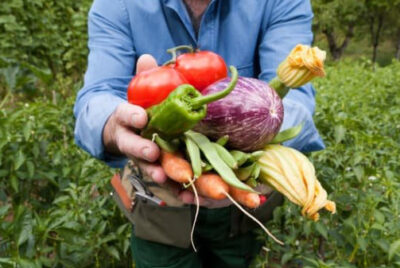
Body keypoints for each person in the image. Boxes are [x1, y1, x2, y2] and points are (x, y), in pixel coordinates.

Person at [74, 0, 325, 267]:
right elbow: (96, 98)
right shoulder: (118, 5)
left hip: (242, 198)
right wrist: (115, 125)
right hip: (154, 199)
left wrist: (236, 143)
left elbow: (295, 101)